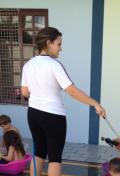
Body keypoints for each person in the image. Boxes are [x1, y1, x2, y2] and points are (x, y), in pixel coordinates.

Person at [21, 27, 106, 176]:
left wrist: (40, 92)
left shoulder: (28, 65)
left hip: (33, 114)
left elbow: (25, 92)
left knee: (39, 152)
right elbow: (72, 91)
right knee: (54, 157)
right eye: (59, 44)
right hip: (53, 116)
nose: (61, 48)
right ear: (49, 43)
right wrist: (95, 103)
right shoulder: (54, 65)